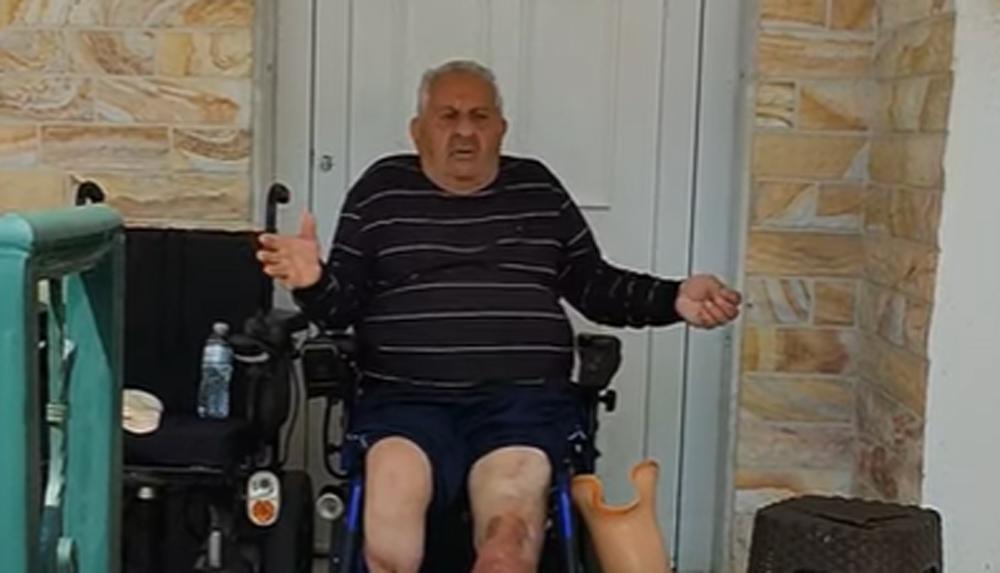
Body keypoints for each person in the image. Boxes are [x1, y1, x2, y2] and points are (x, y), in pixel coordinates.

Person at [257, 59, 741, 573]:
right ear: (417, 130)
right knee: (389, 545)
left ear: (501, 129)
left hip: (521, 405)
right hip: (406, 403)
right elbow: (340, 309)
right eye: (448, 116)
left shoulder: (537, 190)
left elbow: (595, 285)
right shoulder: (382, 192)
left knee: (507, 544)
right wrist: (312, 281)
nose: (465, 130)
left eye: (480, 116)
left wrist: (673, 298)